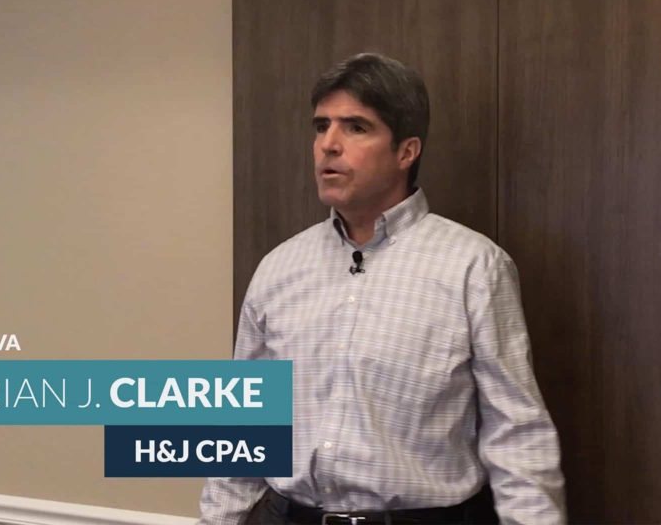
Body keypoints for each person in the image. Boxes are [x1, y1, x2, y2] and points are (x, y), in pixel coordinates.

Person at [199, 53, 565, 525]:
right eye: (321, 126)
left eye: (355, 127)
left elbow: (516, 434)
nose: (328, 145)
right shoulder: (279, 268)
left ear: (406, 152)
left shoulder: (473, 267)